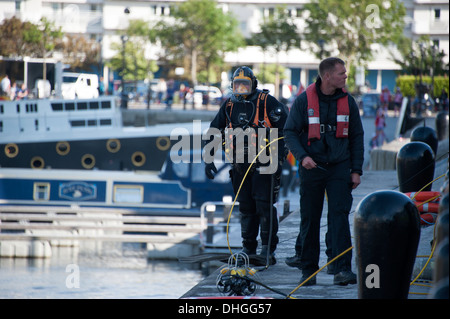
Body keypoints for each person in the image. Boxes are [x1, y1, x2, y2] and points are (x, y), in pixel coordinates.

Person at [283, 57, 364, 286]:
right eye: (341, 73)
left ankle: (342, 269)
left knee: (339, 217)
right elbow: (289, 132)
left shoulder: (348, 102)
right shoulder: (303, 101)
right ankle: (308, 271)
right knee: (310, 219)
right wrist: (303, 157)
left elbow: (357, 136)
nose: (345, 76)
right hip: (312, 167)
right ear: (327, 76)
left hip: (339, 167)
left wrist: (356, 170)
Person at [204, 66, 288, 264]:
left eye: (245, 84)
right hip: (240, 165)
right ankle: (248, 247)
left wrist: (280, 156)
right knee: (246, 207)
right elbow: (214, 131)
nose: (241, 88)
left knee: (264, 206)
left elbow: (287, 129)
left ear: (254, 84)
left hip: (265, 163)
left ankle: (267, 249)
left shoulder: (267, 102)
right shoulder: (229, 106)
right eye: (237, 85)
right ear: (232, 86)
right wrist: (209, 159)